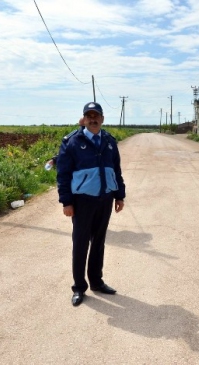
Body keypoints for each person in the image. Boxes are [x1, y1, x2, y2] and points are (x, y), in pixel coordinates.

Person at [57, 102, 126, 307]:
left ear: (102, 119)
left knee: (98, 243)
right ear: (84, 119)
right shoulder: (71, 142)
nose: (93, 119)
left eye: (96, 116)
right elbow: (63, 174)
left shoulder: (110, 141)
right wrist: (66, 202)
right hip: (82, 201)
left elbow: (116, 171)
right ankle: (79, 287)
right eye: (89, 116)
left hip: (105, 199)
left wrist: (119, 196)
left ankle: (96, 281)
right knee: (80, 244)